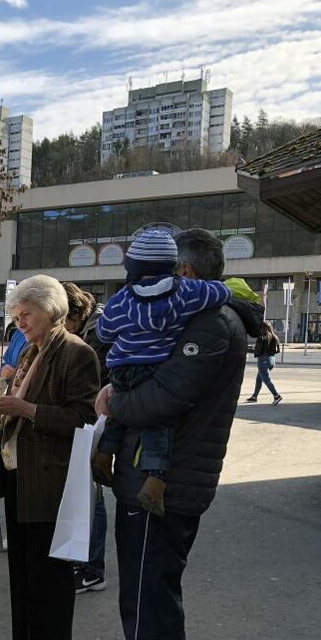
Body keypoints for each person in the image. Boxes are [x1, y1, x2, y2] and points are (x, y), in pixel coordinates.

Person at [95, 228, 263, 639]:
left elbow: (164, 397)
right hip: (161, 479)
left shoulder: (213, 324)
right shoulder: (199, 318)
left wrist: (112, 401)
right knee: (149, 593)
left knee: (148, 601)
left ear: (184, 271)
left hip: (164, 485)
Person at [92, 230, 231, 518]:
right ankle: (155, 478)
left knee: (116, 417)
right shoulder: (188, 292)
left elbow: (103, 332)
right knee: (160, 426)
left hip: (121, 369)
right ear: (175, 266)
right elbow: (221, 292)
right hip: (154, 367)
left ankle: (104, 454)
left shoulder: (121, 300)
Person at [0, 275, 100, 639]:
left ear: (51, 310)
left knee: (48, 580)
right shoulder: (29, 349)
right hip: (17, 477)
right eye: (17, 315)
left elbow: (84, 418)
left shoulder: (76, 353)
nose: (20, 322)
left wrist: (27, 409)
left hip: (48, 482)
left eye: (26, 314)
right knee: (22, 576)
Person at [61, 282, 113, 595]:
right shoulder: (90, 326)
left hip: (97, 420)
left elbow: (97, 383)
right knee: (87, 494)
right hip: (92, 417)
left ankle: (93, 569)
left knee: (93, 496)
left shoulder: (100, 331)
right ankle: (85, 562)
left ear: (76, 312)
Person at [247, 321, 282, 405]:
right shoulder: (274, 336)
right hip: (271, 360)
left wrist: (246, 349)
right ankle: (254, 397)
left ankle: (276, 396)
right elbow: (276, 350)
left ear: (262, 328)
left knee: (266, 380)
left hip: (263, 360)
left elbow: (258, 350)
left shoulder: (262, 337)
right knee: (259, 379)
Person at [0, 319, 27, 384]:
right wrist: (4, 370)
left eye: (27, 314)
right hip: (13, 390)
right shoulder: (18, 333)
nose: (20, 324)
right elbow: (5, 361)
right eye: (17, 318)